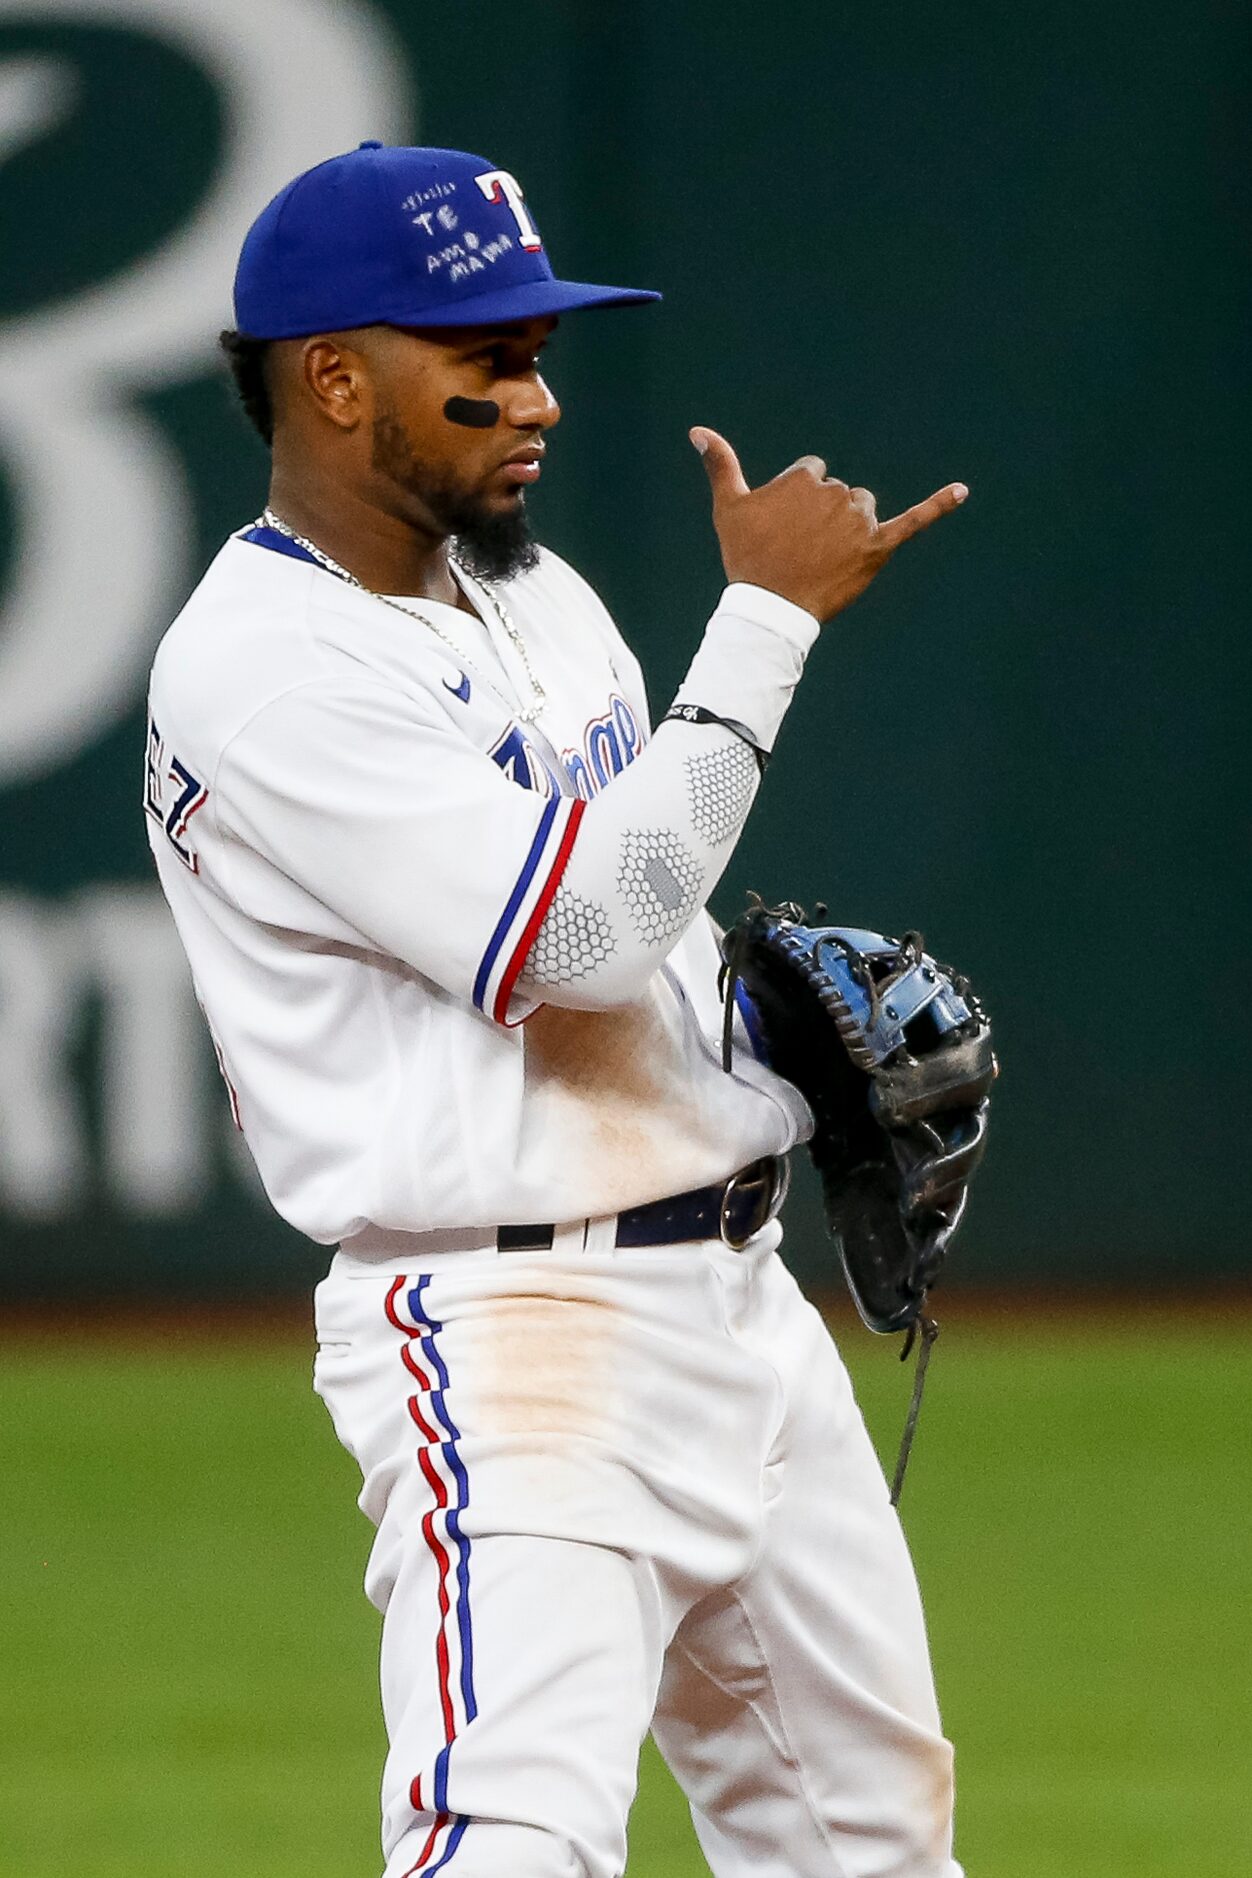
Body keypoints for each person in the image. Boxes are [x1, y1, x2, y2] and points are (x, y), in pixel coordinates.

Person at [144, 141, 970, 1878]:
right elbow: (577, 937)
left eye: (538, 351)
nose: (539, 399)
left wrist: (746, 1038)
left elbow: (630, 949)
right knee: (512, 1844)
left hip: (733, 1301)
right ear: (335, 375)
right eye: (487, 361)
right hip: (521, 1333)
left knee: (870, 1846)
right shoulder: (265, 663)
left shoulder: (531, 594)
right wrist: (761, 627)